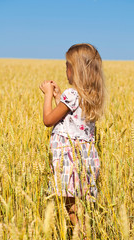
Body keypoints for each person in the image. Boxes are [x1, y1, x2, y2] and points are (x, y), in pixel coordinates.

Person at [39, 43, 106, 226]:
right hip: (85, 157)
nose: (65, 70)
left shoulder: (72, 94)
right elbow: (72, 117)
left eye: (67, 66)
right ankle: (84, 231)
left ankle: (80, 234)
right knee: (81, 202)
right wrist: (59, 96)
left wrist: (47, 94)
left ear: (75, 70)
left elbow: (48, 119)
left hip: (69, 157)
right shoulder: (90, 96)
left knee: (70, 203)